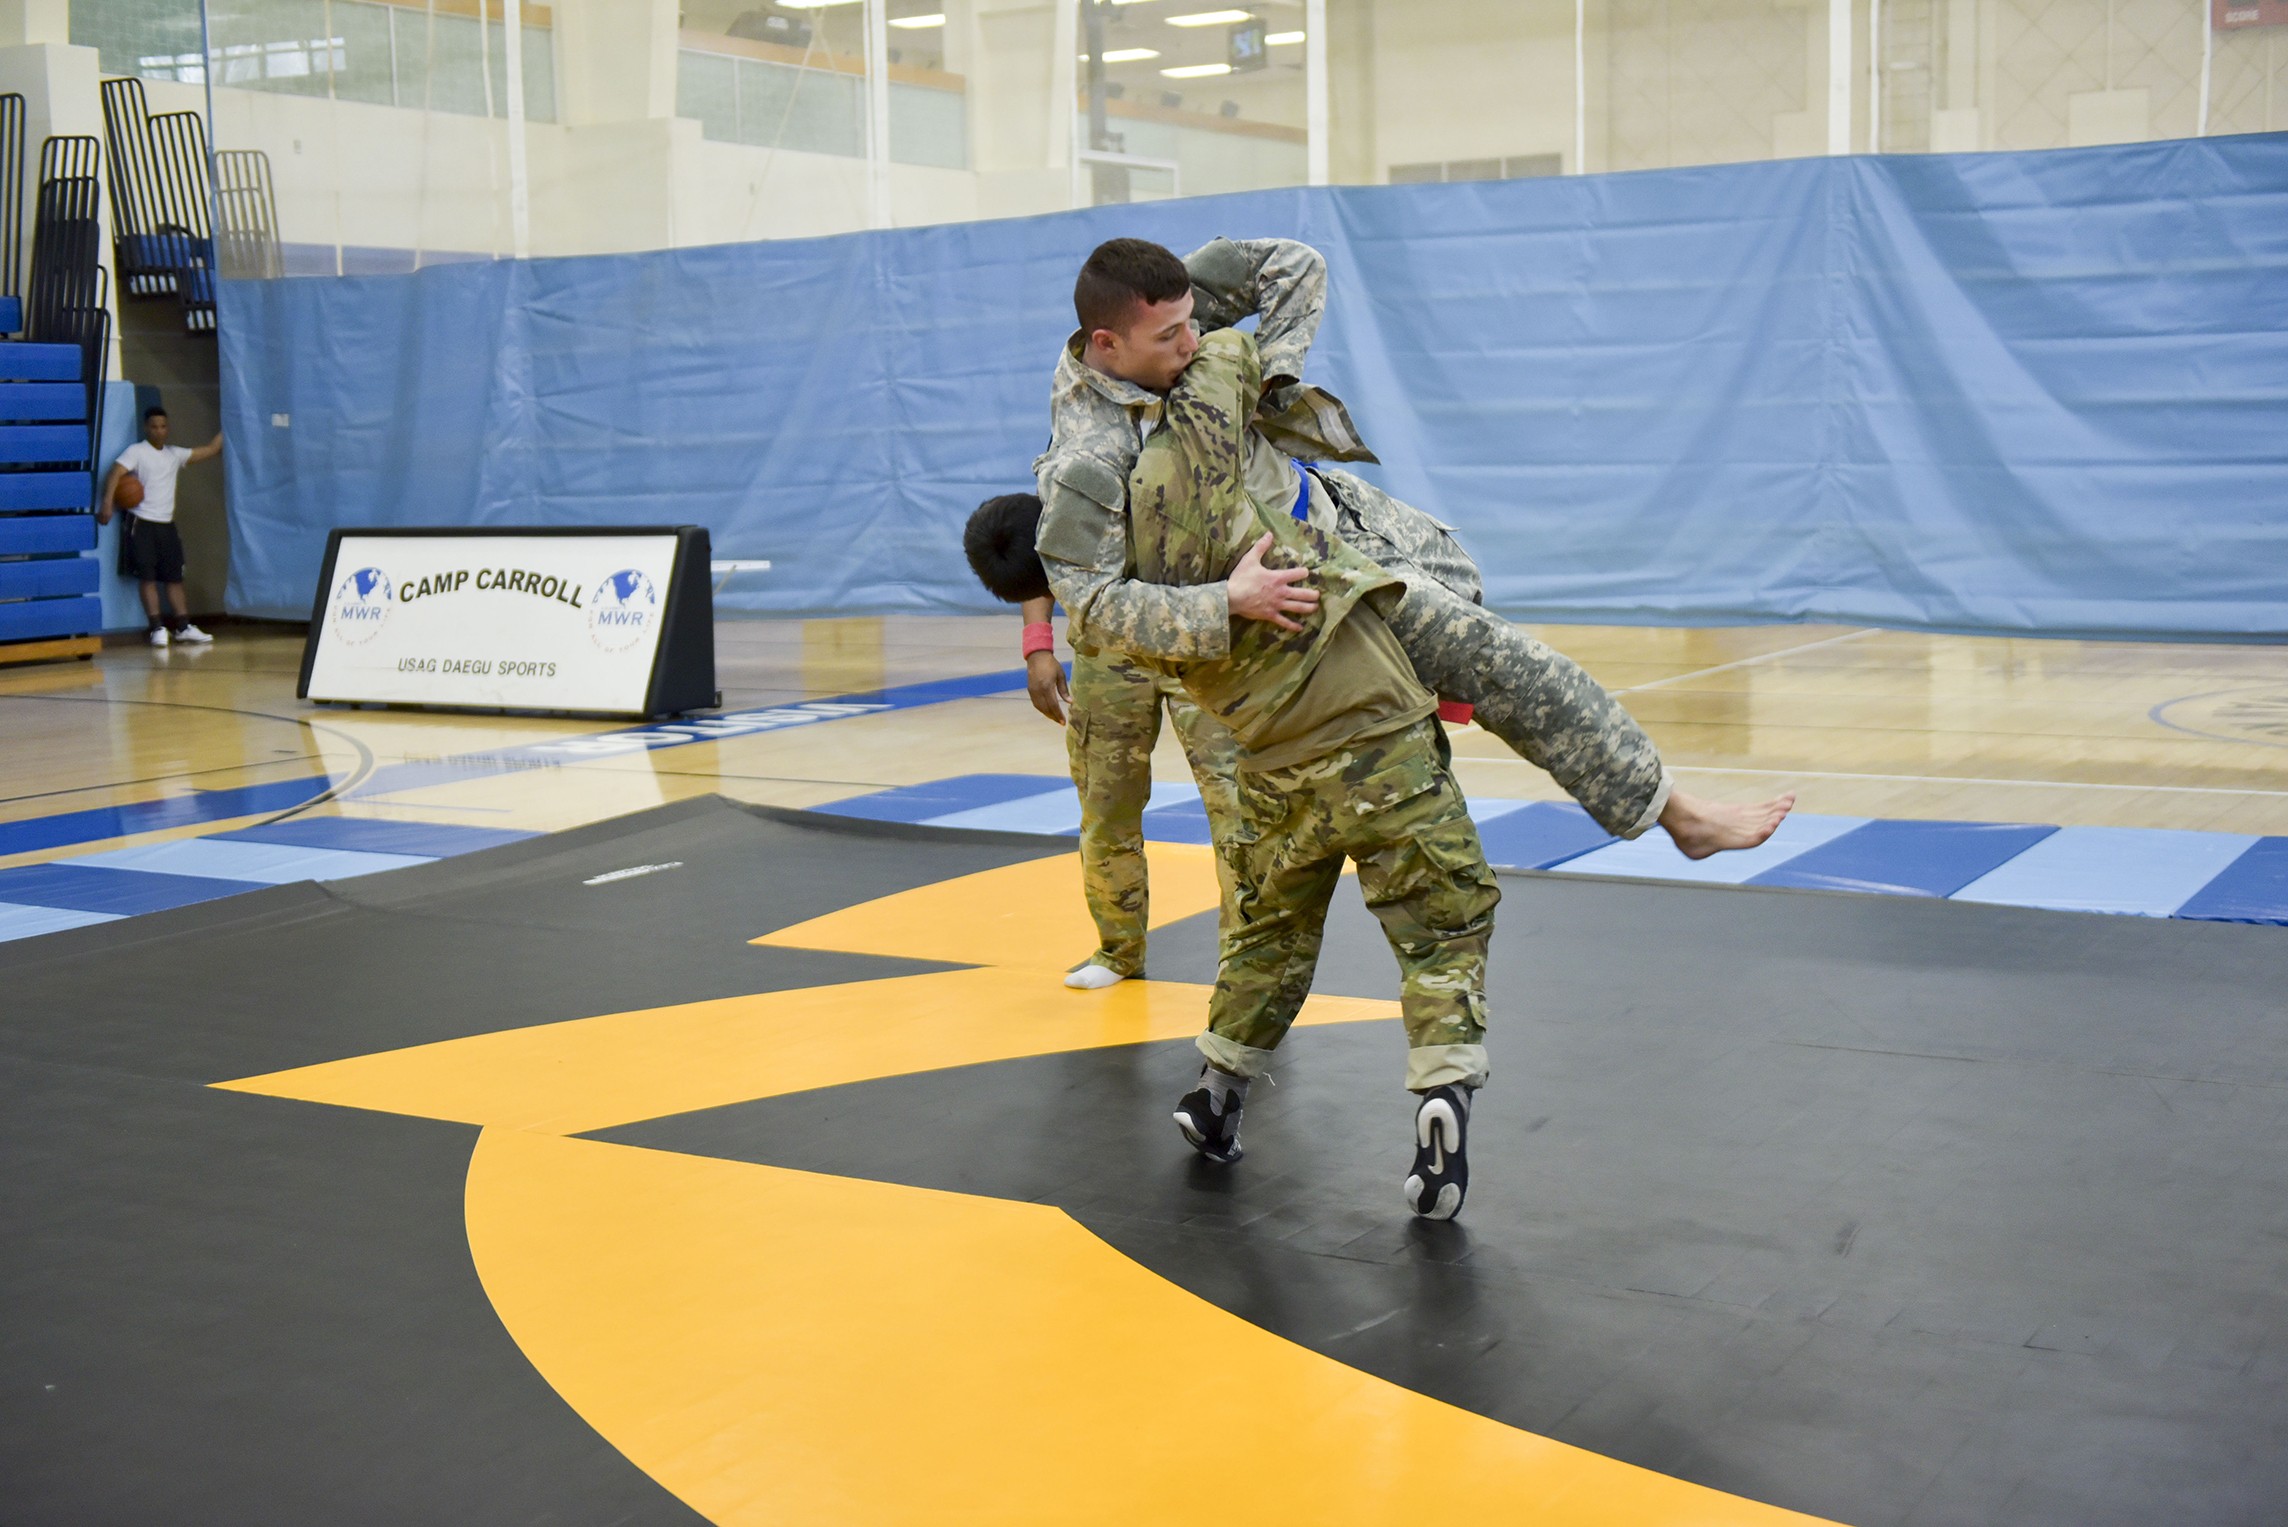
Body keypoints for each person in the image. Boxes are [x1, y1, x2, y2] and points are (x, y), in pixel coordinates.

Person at [1032, 236, 1794, 857]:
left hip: (1343, 518)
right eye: (1171, 337)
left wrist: (1275, 377)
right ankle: (1672, 812)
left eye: (1194, 323)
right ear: (1107, 343)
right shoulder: (1089, 458)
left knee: (1471, 603)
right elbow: (1093, 607)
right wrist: (1226, 602)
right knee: (1506, 663)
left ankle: (1458, 711)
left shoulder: (1163, 320)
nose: (1193, 344)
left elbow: (1294, 266)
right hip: (1295, 596)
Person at [1127, 325, 1497, 1220]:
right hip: (1382, 744)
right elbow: (1451, 601)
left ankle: (1216, 1090)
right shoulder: (1326, 503)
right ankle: (1441, 1091)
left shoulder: (1163, 519)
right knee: (1441, 928)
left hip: (1274, 764)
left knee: (1269, 934)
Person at [965, 495, 1242, 989]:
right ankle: (1118, 951)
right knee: (1105, 805)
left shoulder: (1187, 448)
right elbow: (1040, 551)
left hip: (1194, 641)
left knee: (1236, 807)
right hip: (1108, 647)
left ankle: (1245, 963)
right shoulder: (1076, 468)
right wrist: (1037, 646)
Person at [99, 407, 223, 648]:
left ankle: (184, 626)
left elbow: (211, 449)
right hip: (141, 522)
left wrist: (229, 424)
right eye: (154, 426)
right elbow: (116, 472)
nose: (159, 430)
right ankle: (156, 627)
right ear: (147, 428)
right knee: (148, 577)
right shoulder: (136, 451)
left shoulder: (174, 455)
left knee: (174, 577)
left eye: (163, 426)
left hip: (167, 524)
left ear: (168, 428)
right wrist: (107, 502)